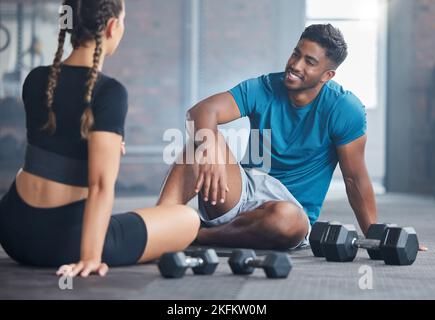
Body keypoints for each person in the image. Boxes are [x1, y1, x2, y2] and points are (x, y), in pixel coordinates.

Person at [0, 0, 199, 278]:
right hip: (64, 244)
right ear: (112, 26)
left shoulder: (35, 79)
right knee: (188, 219)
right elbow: (101, 185)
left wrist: (100, 149)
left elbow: (49, 152)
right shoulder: (109, 92)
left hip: (12, 231)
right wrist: (91, 257)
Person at [157, 24, 376, 250]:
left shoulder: (345, 108)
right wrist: (210, 149)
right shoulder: (264, 87)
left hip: (289, 210)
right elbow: (200, 112)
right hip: (241, 192)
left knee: (287, 219)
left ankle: (199, 235)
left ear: (327, 75)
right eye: (296, 54)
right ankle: (157, 227)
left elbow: (354, 179)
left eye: (309, 62)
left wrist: (375, 236)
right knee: (199, 143)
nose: (295, 65)